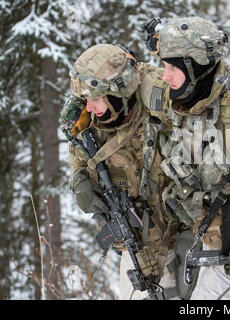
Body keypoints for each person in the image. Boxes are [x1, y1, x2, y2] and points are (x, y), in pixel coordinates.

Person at [141, 16, 230, 300]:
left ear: (196, 68)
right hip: (195, 234)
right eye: (164, 65)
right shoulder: (175, 98)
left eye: (173, 67)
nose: (165, 75)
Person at [63, 43, 180, 300]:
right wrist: (78, 180)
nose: (90, 108)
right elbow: (78, 156)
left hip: (182, 236)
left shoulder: (164, 102)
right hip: (134, 243)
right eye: (86, 100)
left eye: (96, 100)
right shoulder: (87, 119)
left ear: (118, 91)